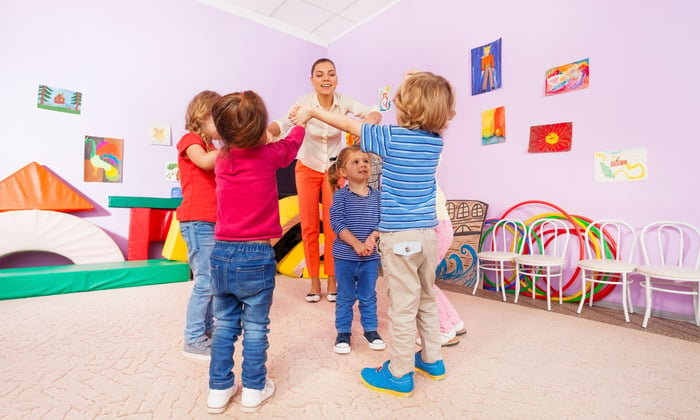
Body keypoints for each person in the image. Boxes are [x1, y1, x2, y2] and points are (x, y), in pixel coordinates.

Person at [291, 71, 456, 397]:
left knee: (402, 306)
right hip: (427, 235)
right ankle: (433, 360)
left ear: (406, 108)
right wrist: (416, 81)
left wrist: (312, 112)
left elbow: (350, 126)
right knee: (425, 298)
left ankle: (399, 373)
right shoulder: (435, 142)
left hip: (400, 238)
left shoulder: (391, 137)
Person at [206, 91, 305, 414]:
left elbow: (266, 138)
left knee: (224, 324)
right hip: (256, 256)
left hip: (221, 254)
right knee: (256, 326)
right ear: (260, 129)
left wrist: (273, 129)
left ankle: (218, 390)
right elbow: (291, 146)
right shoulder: (268, 155)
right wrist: (301, 123)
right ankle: (253, 388)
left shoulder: (222, 159)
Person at [267, 58, 382, 303]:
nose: (326, 78)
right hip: (306, 167)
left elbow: (373, 111)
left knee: (334, 226)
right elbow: (283, 123)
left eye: (330, 74)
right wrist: (268, 133)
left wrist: (367, 125)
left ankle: (332, 279)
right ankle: (314, 282)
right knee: (309, 226)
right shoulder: (304, 103)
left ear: (336, 78)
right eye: (320, 75)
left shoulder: (344, 102)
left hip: (333, 170)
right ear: (312, 81)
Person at [177, 90, 222, 360]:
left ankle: (208, 330)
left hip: (213, 221)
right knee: (205, 280)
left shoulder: (214, 148)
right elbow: (204, 163)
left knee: (214, 279)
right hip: (196, 220)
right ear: (203, 116)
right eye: (220, 120)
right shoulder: (191, 140)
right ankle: (193, 338)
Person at [327, 145, 385, 355]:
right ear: (343, 172)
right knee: (345, 296)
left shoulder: (378, 197)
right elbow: (337, 224)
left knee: (368, 295)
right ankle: (343, 332)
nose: (363, 165)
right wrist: (356, 244)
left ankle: (370, 330)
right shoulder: (341, 196)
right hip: (345, 258)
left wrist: (372, 237)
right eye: (356, 162)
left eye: (366, 161)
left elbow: (383, 222)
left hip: (370, 258)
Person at [417, 185, 467, 348]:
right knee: (426, 281)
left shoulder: (422, 177)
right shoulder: (426, 177)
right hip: (440, 227)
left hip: (436, 228)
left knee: (423, 282)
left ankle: (444, 329)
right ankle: (454, 321)